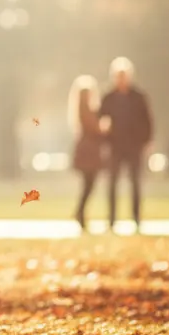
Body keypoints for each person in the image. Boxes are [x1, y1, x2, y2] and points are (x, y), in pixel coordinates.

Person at [97, 57, 153, 233]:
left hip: (134, 146)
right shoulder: (108, 97)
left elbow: (148, 121)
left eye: (124, 76)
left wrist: (146, 141)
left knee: (135, 183)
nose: (121, 79)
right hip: (115, 146)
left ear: (129, 76)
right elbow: (100, 120)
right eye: (118, 76)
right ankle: (112, 220)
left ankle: (136, 218)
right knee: (112, 184)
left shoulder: (139, 97)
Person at [68, 74, 105, 233]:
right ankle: (80, 213)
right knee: (88, 185)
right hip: (88, 152)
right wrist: (102, 128)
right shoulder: (84, 109)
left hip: (89, 151)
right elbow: (94, 127)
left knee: (88, 185)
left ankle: (80, 213)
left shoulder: (86, 109)